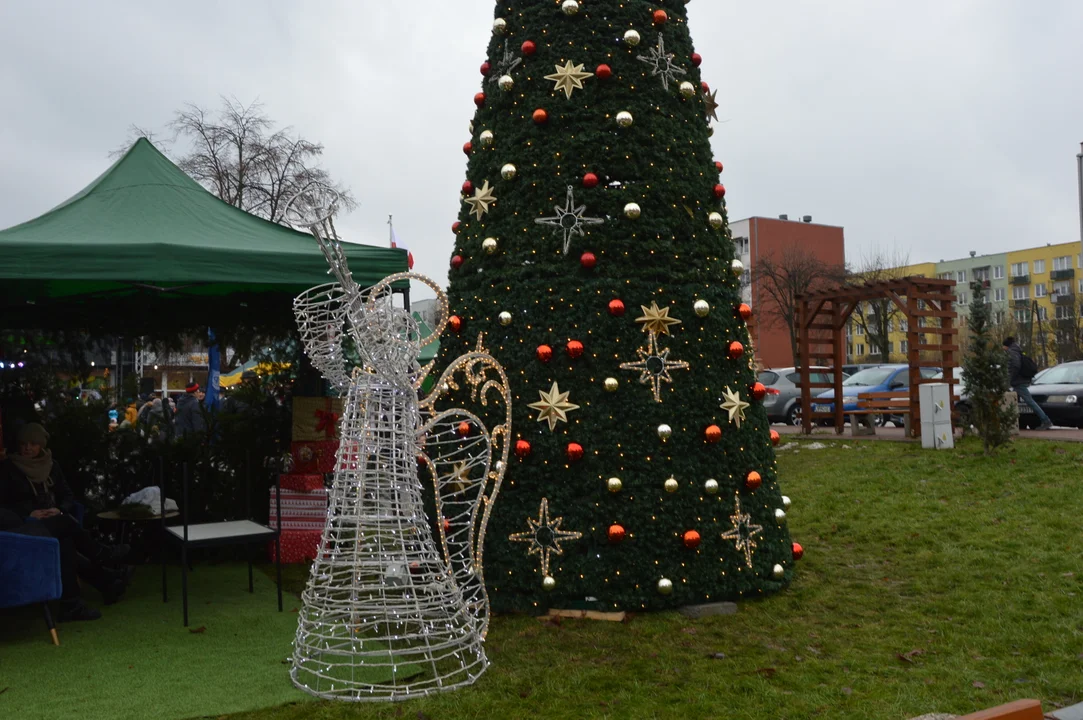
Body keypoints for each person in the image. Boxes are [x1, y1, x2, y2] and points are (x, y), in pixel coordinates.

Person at [0, 423, 131, 621]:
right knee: (65, 525)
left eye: (33, 444)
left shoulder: (51, 465)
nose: (27, 448)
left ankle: (83, 597)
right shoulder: (8, 469)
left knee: (65, 539)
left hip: (52, 519)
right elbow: (5, 504)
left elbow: (67, 495)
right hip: (24, 525)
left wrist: (59, 509)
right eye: (23, 444)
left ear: (41, 445)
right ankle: (103, 558)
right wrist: (30, 512)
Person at [1003, 336, 1053, 430]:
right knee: (1014, 402)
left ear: (1006, 346)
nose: (1003, 348)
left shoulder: (1012, 352)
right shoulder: (1017, 351)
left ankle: (1046, 420)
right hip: (1019, 380)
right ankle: (1015, 423)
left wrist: (1010, 378)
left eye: (1003, 346)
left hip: (1018, 381)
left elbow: (1015, 366)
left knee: (1029, 401)